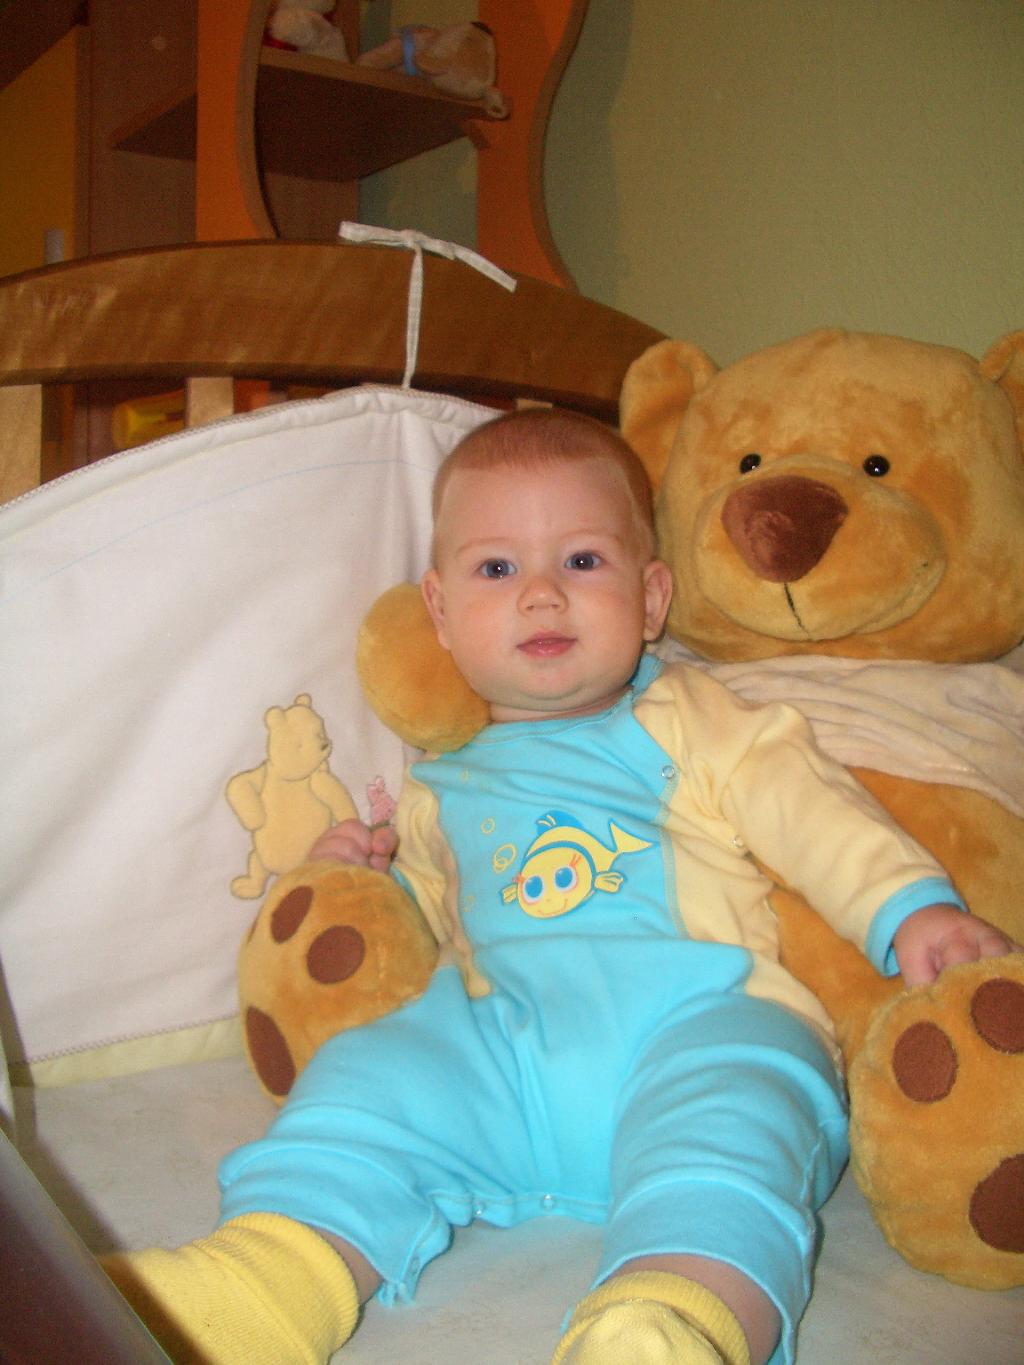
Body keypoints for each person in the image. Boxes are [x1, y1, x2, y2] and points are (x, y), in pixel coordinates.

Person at [103, 408, 1017, 1365]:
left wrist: (908, 907)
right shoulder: (438, 781)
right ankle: (259, 1282)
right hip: (498, 1051)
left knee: (741, 1124)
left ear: (651, 598)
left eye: (582, 560)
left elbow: (807, 808)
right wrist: (353, 873)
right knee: (364, 1081)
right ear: (440, 612)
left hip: (696, 1025)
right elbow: (429, 921)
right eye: (497, 568)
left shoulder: (688, 718)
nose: (541, 595)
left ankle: (670, 1321)